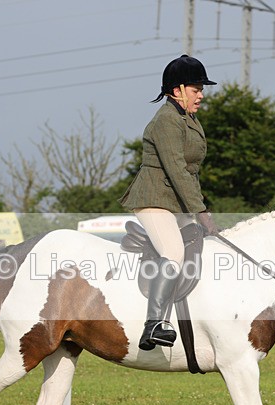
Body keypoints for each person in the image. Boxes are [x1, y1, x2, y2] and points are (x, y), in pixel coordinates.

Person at [119, 55, 219, 350]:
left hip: (174, 200)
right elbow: (176, 169)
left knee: (201, 246)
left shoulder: (187, 119)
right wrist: (200, 211)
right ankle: (154, 324)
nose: (201, 94)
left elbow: (189, 173)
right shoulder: (165, 120)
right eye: (196, 89)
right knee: (174, 252)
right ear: (176, 90)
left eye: (201, 89)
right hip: (154, 198)